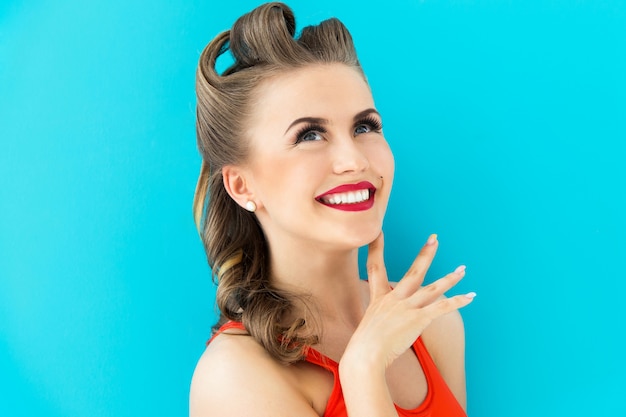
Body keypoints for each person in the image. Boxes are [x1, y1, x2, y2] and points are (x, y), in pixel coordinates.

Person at [189, 3, 476, 416]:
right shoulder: (235, 378)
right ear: (242, 185)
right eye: (309, 135)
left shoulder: (431, 324)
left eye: (365, 127)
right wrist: (361, 372)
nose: (354, 160)